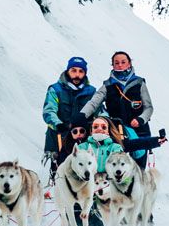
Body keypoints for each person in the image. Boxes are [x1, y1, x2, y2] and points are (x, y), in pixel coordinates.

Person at [81, 51, 156, 169]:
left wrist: (141, 119)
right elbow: (94, 102)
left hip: (140, 131)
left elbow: (148, 107)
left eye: (123, 62)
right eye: (116, 63)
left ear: (129, 64)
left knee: (139, 168)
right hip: (117, 133)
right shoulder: (108, 85)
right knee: (119, 169)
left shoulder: (139, 83)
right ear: (113, 65)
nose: (120, 65)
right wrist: (82, 115)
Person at [41, 56, 95, 185]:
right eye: (73, 70)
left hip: (83, 135)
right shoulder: (56, 89)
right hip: (60, 134)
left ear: (85, 73)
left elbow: (98, 110)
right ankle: (56, 188)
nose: (77, 74)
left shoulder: (91, 91)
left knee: (84, 168)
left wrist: (100, 124)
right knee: (60, 168)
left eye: (81, 71)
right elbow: (49, 111)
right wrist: (58, 124)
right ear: (67, 71)